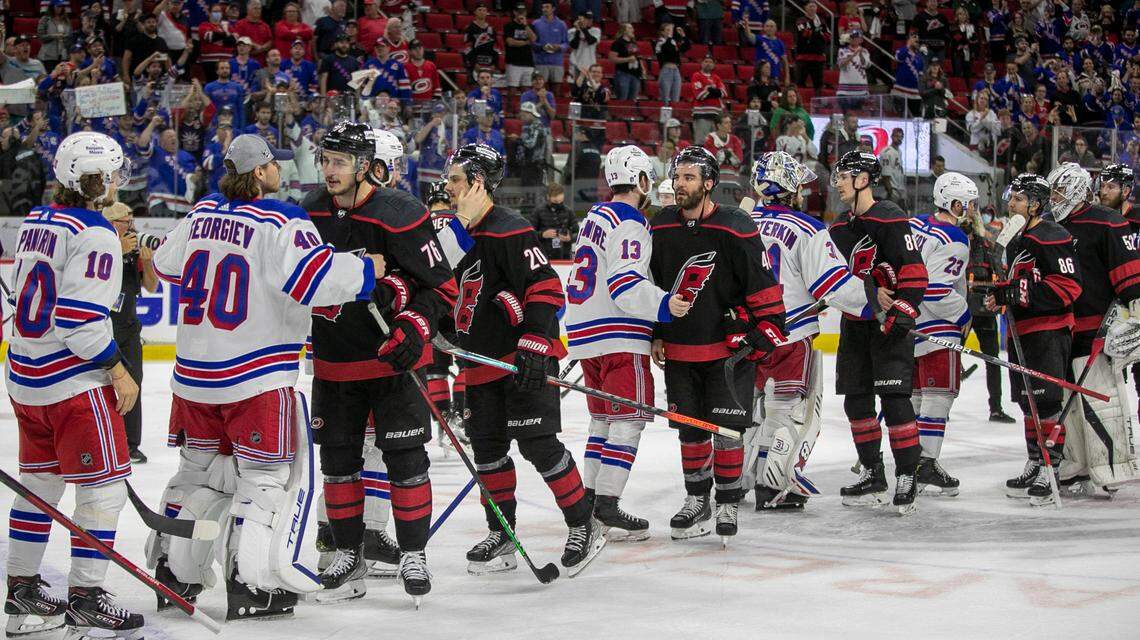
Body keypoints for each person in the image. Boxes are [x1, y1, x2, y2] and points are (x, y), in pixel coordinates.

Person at [149, 134, 382, 620]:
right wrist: (364, 270)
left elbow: (164, 264)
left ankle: (173, 575)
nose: (279, 169)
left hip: (192, 377)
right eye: (273, 163)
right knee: (264, 482)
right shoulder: (282, 219)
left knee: (196, 477)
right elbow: (313, 282)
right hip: (255, 376)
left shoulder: (200, 214)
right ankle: (254, 587)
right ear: (260, 173)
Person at [300, 122, 458, 604]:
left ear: (365, 166)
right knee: (339, 464)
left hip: (392, 364)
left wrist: (414, 326)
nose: (329, 170)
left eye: (339, 162)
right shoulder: (307, 213)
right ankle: (348, 553)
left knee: (406, 461)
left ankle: (414, 552)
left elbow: (444, 288)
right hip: (334, 364)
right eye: (325, 159)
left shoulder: (402, 213)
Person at [442, 144, 605, 577]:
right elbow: (441, 293)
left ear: (478, 182)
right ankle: (502, 534)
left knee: (539, 445)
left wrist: (535, 339)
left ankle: (582, 524)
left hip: (522, 360)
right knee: (489, 452)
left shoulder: (511, 229)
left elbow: (549, 287)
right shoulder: (450, 235)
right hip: (478, 364)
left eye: (457, 179)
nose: (449, 186)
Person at [4, 132, 142, 640]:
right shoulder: (97, 233)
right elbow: (82, 323)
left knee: (39, 486)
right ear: (99, 178)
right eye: (112, 173)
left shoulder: (37, 221)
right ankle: (86, 596)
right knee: (101, 490)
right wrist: (119, 370)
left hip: (25, 379)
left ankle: (21, 591)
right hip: (72, 385)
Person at [649, 146, 785, 543]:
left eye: (689, 177)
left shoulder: (735, 225)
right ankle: (697, 500)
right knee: (690, 432)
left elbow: (760, 281)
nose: (680, 184)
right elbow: (654, 285)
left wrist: (768, 327)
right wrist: (656, 332)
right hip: (679, 348)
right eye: (678, 177)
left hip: (728, 351)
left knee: (726, 430)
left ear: (708, 184)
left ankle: (726, 501)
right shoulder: (661, 225)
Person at [564, 146, 692, 540]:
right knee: (629, 420)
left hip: (585, 334)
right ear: (640, 181)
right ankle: (607, 504)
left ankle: (589, 500)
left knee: (602, 420)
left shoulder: (593, 216)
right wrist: (666, 305)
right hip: (618, 335)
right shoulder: (631, 221)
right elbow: (626, 285)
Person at [745, 151, 865, 511]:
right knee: (793, 411)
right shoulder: (807, 227)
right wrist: (878, 303)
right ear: (789, 187)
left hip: (747, 336)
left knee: (749, 411)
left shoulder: (740, 222)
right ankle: (775, 483)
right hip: (791, 334)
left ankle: (736, 478)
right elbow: (836, 285)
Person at [828, 150, 929, 515]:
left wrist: (904, 309)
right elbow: (836, 278)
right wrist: (866, 293)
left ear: (863, 179)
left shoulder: (890, 216)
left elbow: (914, 270)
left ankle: (907, 472)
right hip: (855, 325)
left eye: (844, 175)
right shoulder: (838, 226)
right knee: (856, 400)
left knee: (894, 398)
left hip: (889, 326)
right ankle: (872, 471)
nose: (837, 182)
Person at [983, 174, 1082, 507]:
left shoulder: (1053, 235)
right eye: (1011, 198)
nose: (1010, 204)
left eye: (1018, 199)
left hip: (1048, 331)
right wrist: (1000, 296)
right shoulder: (1016, 237)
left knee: (1047, 402)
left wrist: (1016, 293)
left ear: (1036, 204)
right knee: (1028, 402)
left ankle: (1050, 467)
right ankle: (1035, 461)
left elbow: (1068, 288)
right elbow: (1016, 285)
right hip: (1021, 333)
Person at [1046, 163, 1140, 496]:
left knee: (1099, 400)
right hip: (1061, 330)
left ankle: (1110, 465)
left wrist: (1132, 317)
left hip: (1098, 329)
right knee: (1068, 402)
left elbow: (1130, 280)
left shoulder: (1107, 221)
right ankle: (1076, 466)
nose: (1053, 198)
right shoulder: (1051, 227)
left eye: (1058, 191)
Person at [907, 173, 978, 496]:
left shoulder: (915, 224)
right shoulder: (954, 238)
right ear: (953, 202)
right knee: (939, 397)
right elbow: (935, 289)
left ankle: (909, 462)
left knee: (918, 396)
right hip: (939, 327)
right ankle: (927, 463)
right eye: (967, 203)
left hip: (910, 324)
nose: (971, 209)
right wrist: (963, 313)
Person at [102, 202, 158, 465]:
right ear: (113, 224)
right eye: (127, 222)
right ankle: (104, 440)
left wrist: (147, 264)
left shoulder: (135, 251)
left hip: (129, 327)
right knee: (102, 386)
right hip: (103, 327)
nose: (133, 227)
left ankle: (129, 444)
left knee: (134, 382)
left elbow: (150, 285)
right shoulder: (100, 247)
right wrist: (115, 251)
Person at [529, 183, 575, 258]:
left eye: (560, 201)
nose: (558, 203)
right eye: (555, 202)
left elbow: (578, 232)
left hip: (564, 255)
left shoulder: (569, 211)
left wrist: (570, 237)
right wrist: (543, 234)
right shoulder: (538, 212)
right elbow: (529, 234)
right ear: (548, 197)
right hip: (543, 255)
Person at [504, 3, 538, 104]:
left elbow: (534, 38)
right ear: (514, 13)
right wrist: (526, 42)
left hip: (528, 62)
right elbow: (510, 42)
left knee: (526, 90)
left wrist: (525, 25)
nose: (521, 14)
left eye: (523, 12)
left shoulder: (530, 26)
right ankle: (509, 110)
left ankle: (525, 110)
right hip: (513, 62)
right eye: (519, 12)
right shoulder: (509, 26)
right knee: (512, 89)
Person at [691, 54, 727, 145]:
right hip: (702, 115)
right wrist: (714, 91)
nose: (708, 64)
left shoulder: (716, 78)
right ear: (702, 63)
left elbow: (723, 93)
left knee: (716, 144)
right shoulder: (696, 75)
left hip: (716, 116)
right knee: (701, 143)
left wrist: (708, 89)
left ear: (714, 65)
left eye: (710, 62)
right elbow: (699, 95)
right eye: (706, 61)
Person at [533, 1, 569, 89]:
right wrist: (542, 47)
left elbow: (566, 43)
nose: (544, 9)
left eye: (547, 7)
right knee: (540, 88)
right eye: (543, 7)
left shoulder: (561, 24)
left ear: (553, 9)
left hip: (556, 62)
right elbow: (532, 42)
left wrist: (559, 47)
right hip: (540, 61)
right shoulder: (536, 24)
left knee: (557, 89)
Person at [654, 21, 690, 104]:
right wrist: (670, 37)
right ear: (662, 32)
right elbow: (668, 50)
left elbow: (686, 47)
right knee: (665, 98)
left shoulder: (673, 42)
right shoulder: (660, 42)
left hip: (676, 70)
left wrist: (683, 35)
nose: (670, 32)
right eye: (668, 30)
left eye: (671, 30)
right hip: (666, 70)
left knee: (676, 98)